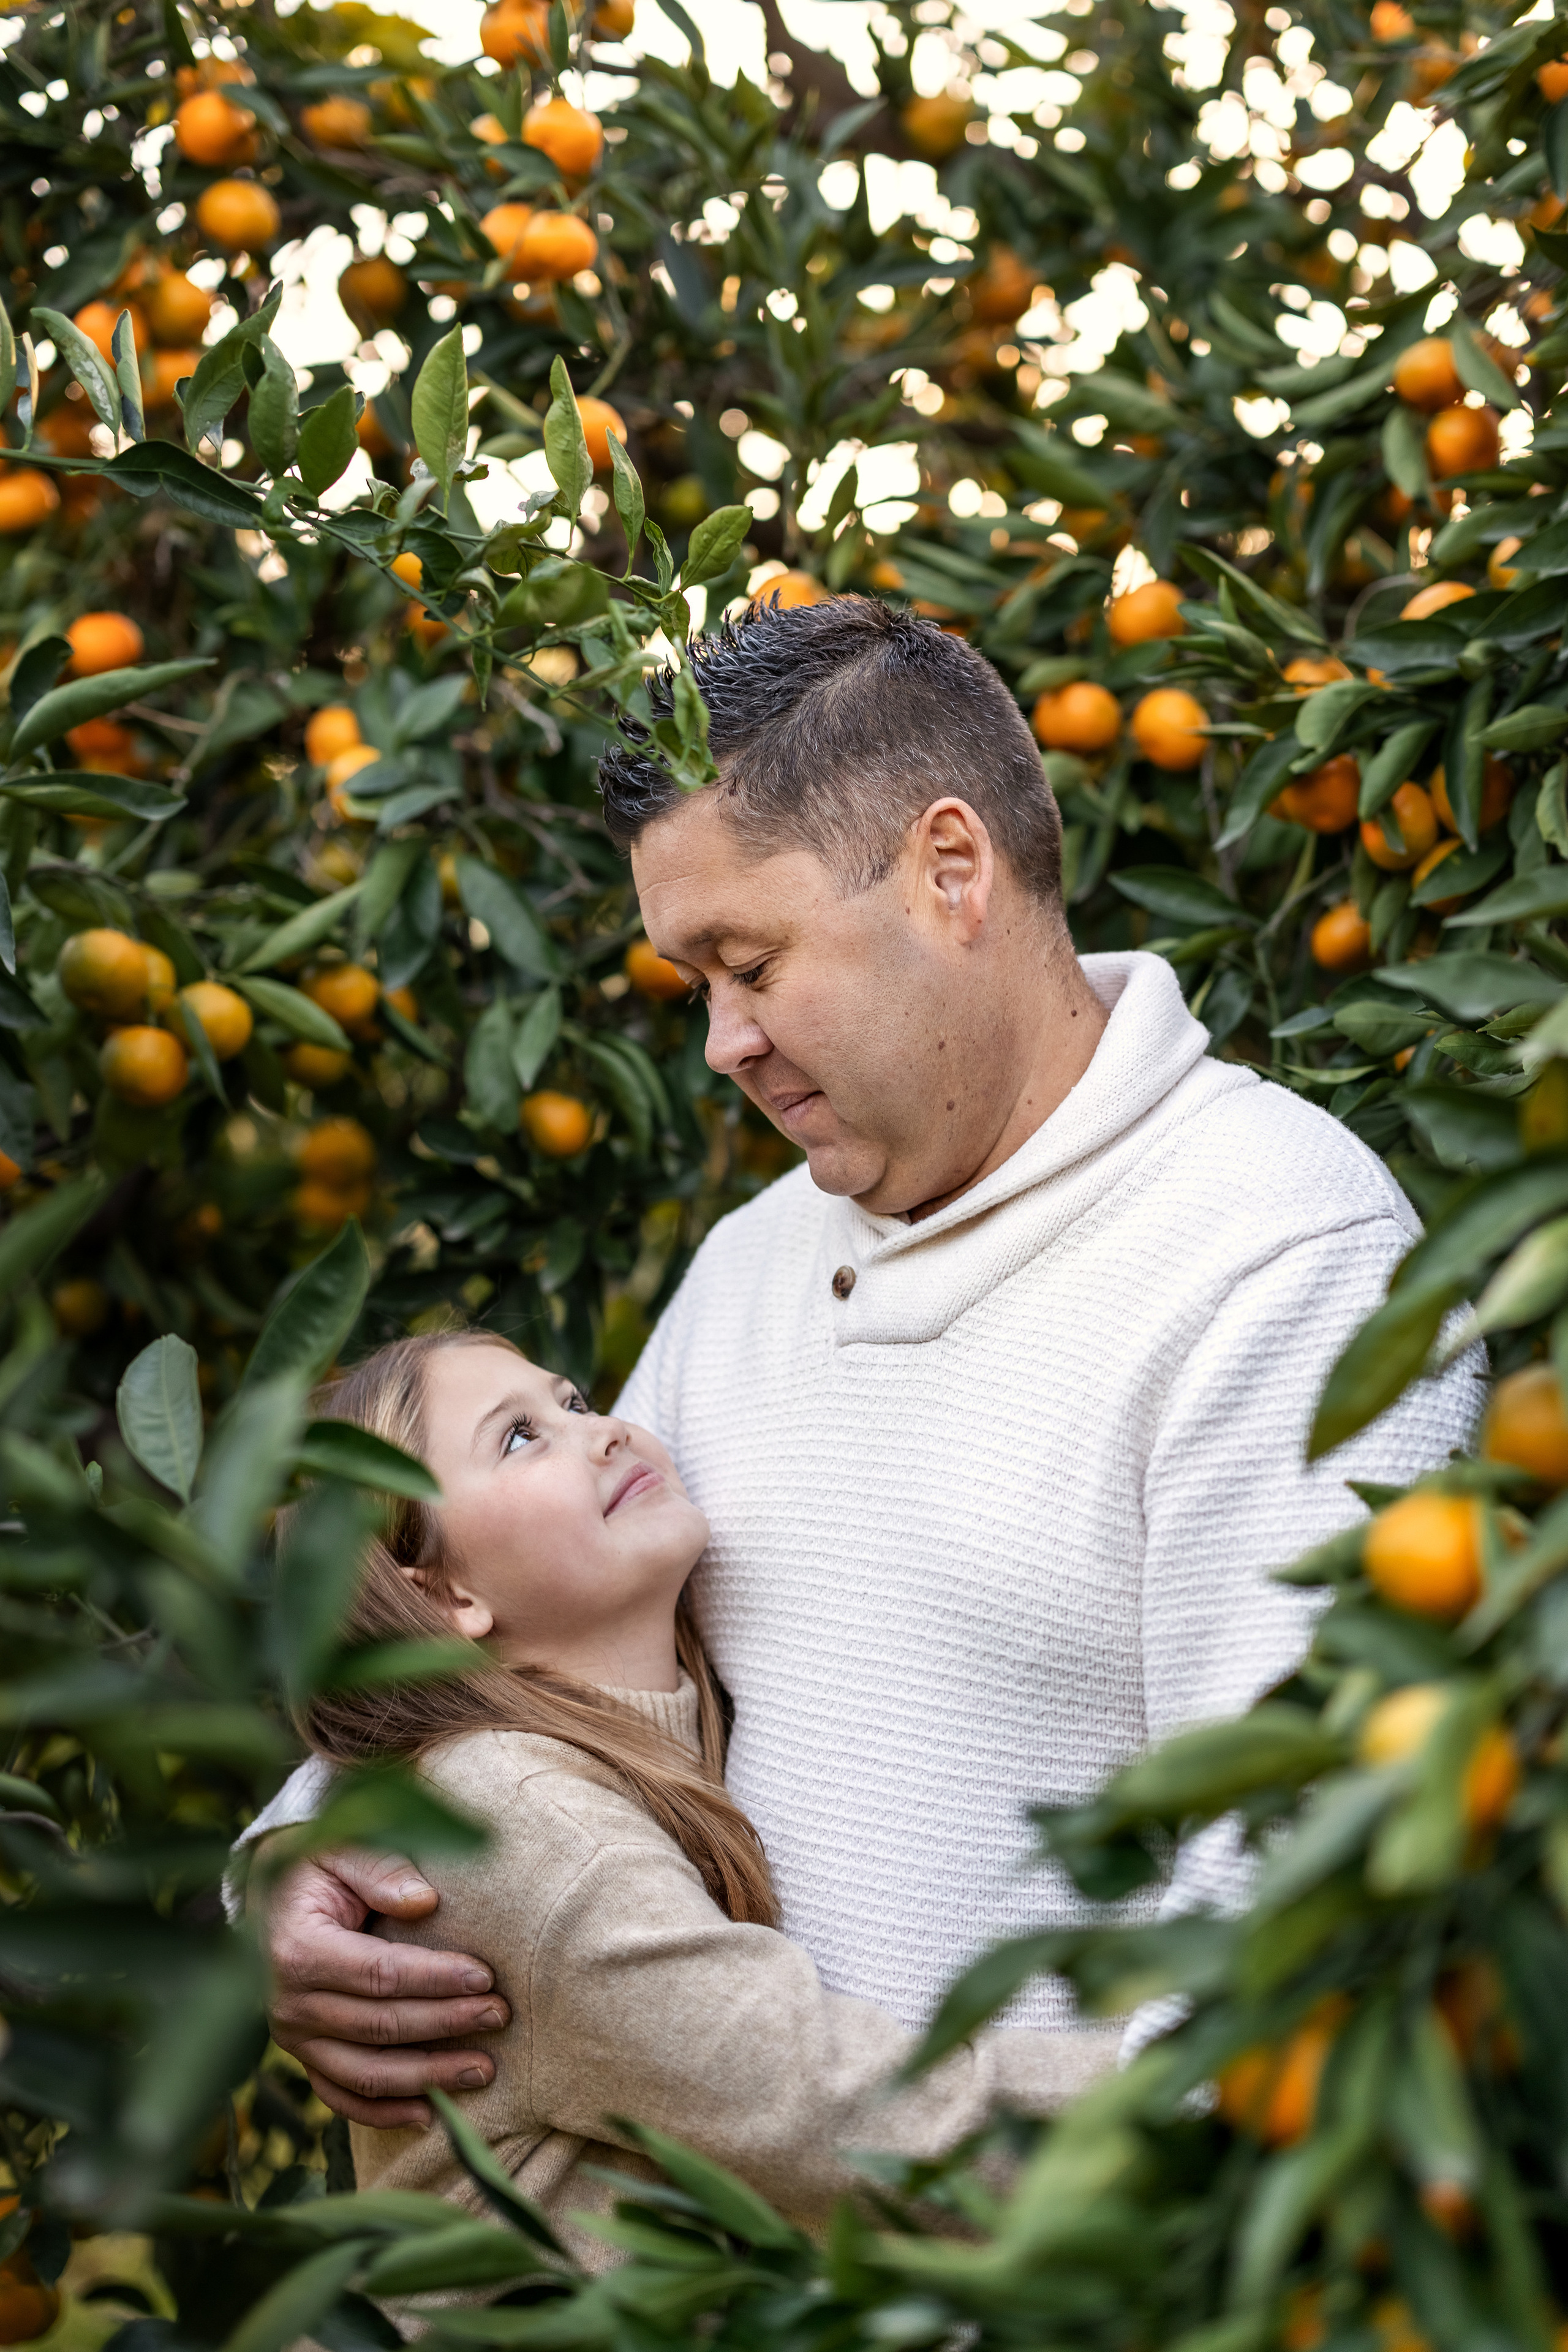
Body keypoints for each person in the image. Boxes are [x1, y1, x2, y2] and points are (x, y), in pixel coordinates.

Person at [249, 597, 1479, 2128]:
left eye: (746, 962)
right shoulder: (760, 1256)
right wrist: (316, 1850)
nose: (720, 1041)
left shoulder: (1278, 1262)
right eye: (693, 983)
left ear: (947, 872)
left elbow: (1297, 1929)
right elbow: (527, 1631)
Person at [280, 1330, 1120, 2266]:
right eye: (518, 1437)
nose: (600, 1433)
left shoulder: (642, 1749)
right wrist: (1203, 2100)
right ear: (443, 1595)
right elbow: (833, 2109)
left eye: (575, 1402)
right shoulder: (519, 1823)